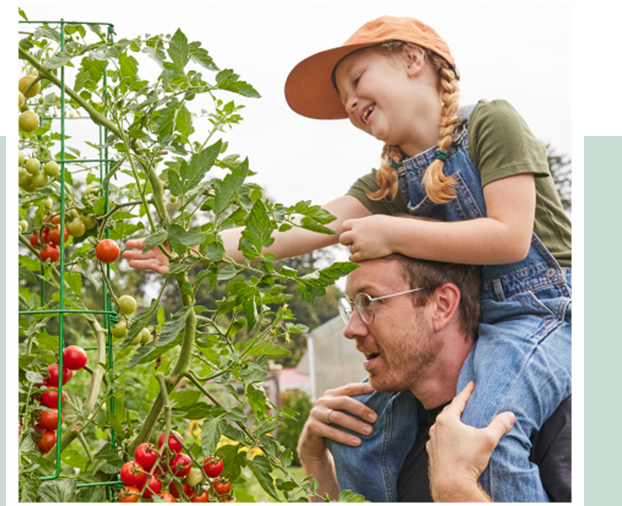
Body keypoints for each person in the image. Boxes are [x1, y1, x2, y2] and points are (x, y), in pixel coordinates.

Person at [124, 15, 572, 501]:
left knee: (486, 437)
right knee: (356, 435)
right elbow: (296, 228)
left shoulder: (491, 122)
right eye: (344, 99)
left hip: (544, 312)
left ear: (413, 59)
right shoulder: (389, 182)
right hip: (480, 319)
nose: (351, 102)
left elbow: (509, 238)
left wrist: (390, 230)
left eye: (356, 80)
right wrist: (193, 248)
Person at [296, 255, 571, 502]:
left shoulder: (557, 422)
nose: (351, 328)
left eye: (369, 302)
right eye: (352, 307)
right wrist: (316, 461)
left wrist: (456, 488)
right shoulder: (392, 432)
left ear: (441, 306)